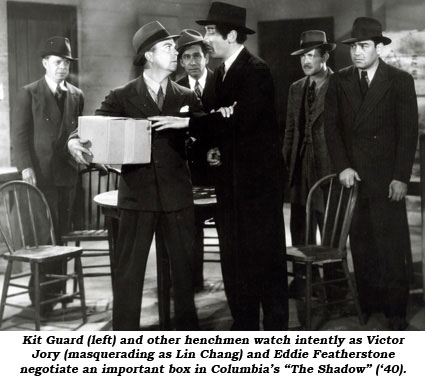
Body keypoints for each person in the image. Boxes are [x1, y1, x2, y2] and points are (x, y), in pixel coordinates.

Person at [68, 21, 232, 331]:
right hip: (136, 198)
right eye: (168, 48)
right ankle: (124, 337)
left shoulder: (185, 95)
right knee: (129, 275)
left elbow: (208, 134)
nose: (175, 53)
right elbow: (90, 127)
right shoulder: (122, 95)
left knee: (184, 276)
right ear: (149, 56)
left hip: (177, 199)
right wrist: (73, 140)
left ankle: (187, 338)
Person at [150, 2, 288, 330]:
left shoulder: (256, 70)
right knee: (234, 258)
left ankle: (276, 331)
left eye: (211, 31)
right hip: (229, 184)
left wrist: (206, 122)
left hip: (257, 188)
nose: (206, 38)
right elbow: (209, 118)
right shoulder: (220, 74)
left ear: (232, 34)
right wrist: (213, 120)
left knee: (264, 259)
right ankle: (243, 324)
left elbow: (243, 121)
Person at [324, 17, 418, 330]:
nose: (357, 52)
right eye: (353, 47)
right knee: (361, 246)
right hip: (355, 180)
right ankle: (369, 306)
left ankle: (395, 312)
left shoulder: (399, 80)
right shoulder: (340, 80)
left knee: (392, 247)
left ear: (379, 47)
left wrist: (401, 177)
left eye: (364, 46)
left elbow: (408, 134)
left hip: (387, 180)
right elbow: (332, 129)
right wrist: (343, 167)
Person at [11, 36, 84, 310]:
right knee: (45, 237)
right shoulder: (28, 93)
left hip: (67, 176)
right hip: (40, 178)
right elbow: (19, 136)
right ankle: (41, 298)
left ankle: (58, 293)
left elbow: (77, 134)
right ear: (45, 63)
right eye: (57, 62)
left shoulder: (77, 95)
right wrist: (26, 167)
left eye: (66, 63)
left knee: (62, 235)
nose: (62, 67)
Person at [283, 30, 342, 299]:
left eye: (311, 55)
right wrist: (286, 165)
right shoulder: (296, 88)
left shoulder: (339, 84)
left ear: (325, 56)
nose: (306, 61)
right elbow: (290, 131)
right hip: (300, 165)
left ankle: (334, 284)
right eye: (302, 56)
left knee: (327, 225)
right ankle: (303, 280)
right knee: (299, 225)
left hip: (328, 167)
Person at [175, 29, 216, 292]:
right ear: (180, 61)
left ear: (206, 58)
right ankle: (193, 281)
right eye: (187, 57)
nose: (192, 61)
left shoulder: (220, 82)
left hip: (215, 166)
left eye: (197, 56)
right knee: (190, 226)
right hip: (187, 168)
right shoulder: (175, 87)